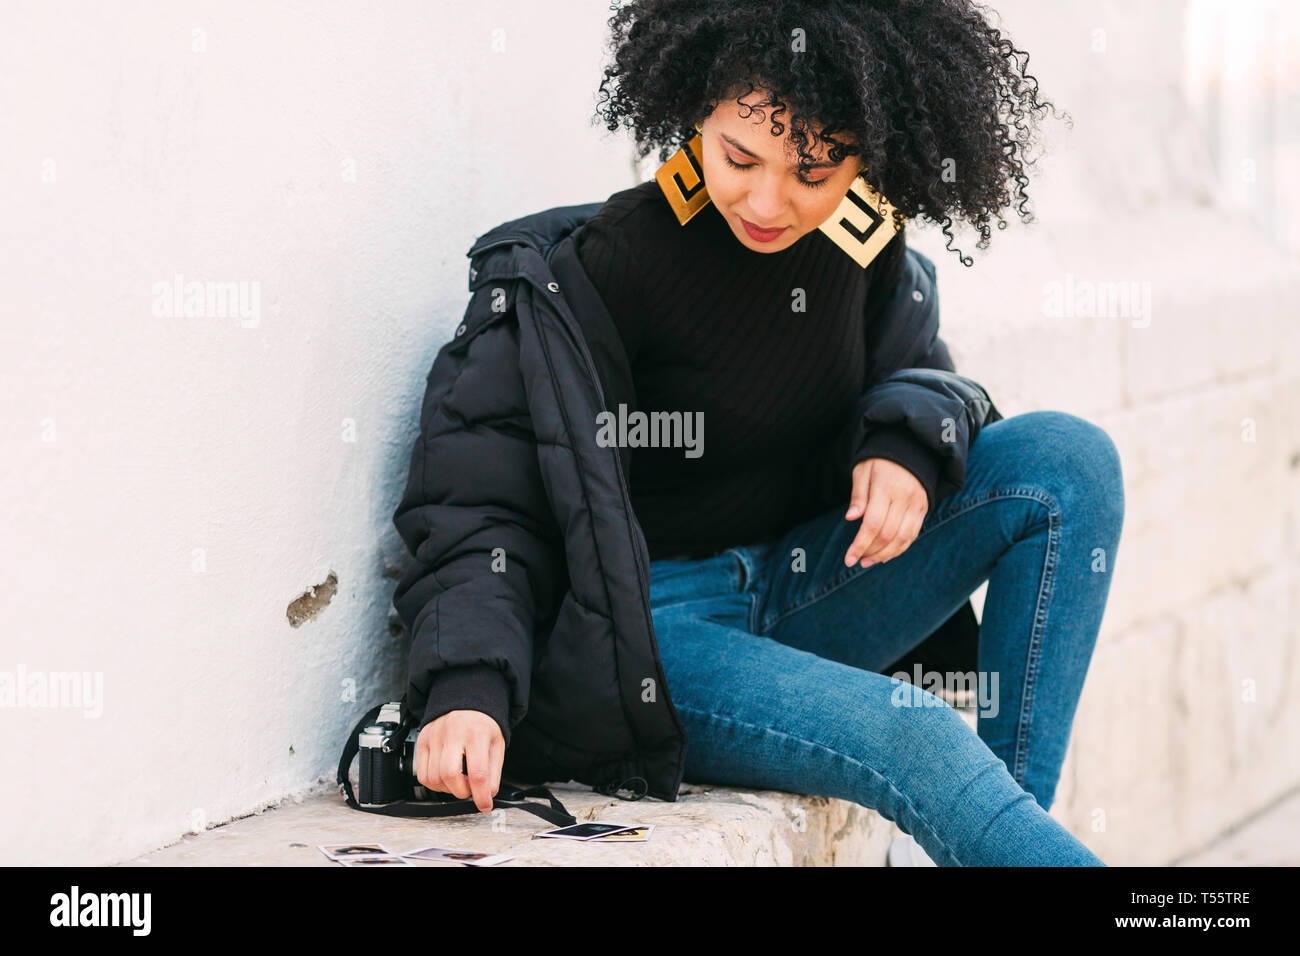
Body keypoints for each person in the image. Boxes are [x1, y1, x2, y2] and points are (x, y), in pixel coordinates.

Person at [396, 0, 1124, 866]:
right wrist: (467, 685)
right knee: (914, 732)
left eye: (814, 172)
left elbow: (915, 370)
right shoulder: (606, 264)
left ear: (866, 155)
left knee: (1069, 463)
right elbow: (482, 498)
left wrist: (905, 442)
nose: (768, 201)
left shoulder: (861, 241)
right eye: (740, 156)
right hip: (655, 638)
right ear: (697, 105)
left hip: (810, 583)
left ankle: (1010, 836)